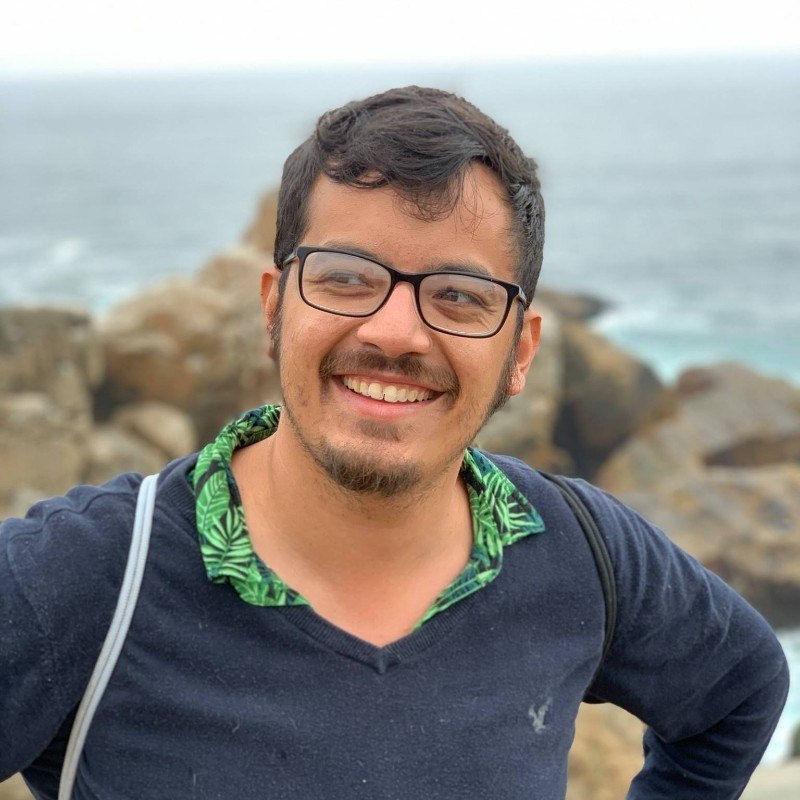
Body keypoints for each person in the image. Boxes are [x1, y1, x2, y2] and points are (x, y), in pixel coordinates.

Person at [0, 86, 789, 800]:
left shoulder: (583, 553)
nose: (395, 332)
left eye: (459, 295)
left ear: (520, 352)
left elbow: (740, 692)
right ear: (273, 310)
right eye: (346, 277)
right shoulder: (91, 576)